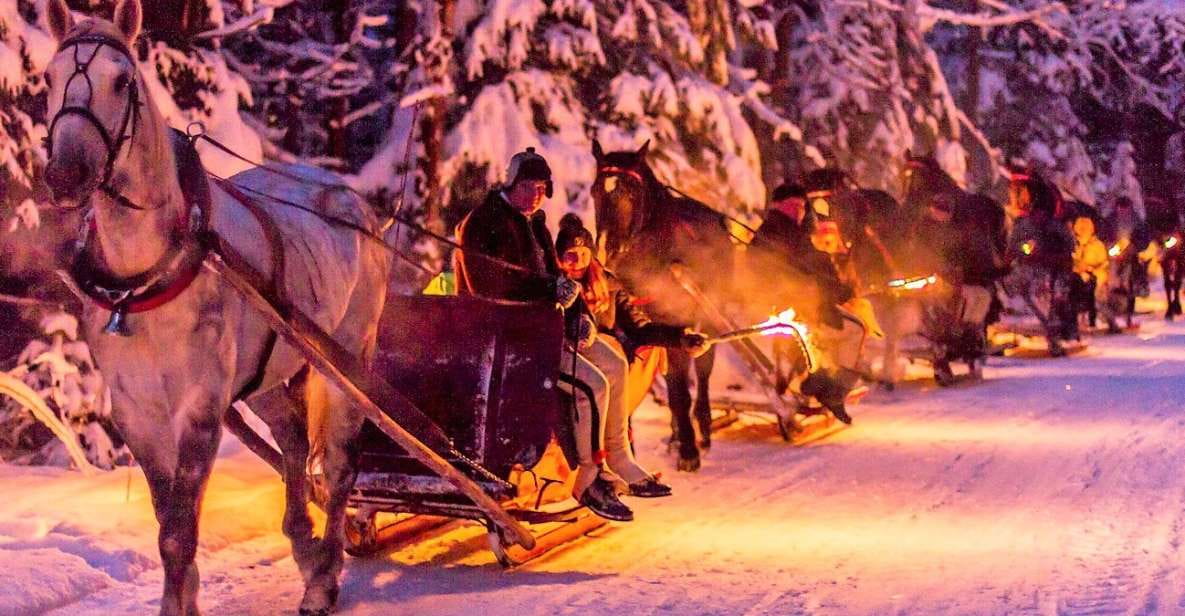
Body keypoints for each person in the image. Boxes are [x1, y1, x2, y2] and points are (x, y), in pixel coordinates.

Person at [454, 147, 632, 521]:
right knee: (591, 385)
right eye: (530, 186)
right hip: (506, 340)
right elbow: (490, 287)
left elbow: (555, 278)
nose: (537, 194)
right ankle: (587, 475)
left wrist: (578, 318)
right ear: (512, 182)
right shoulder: (483, 223)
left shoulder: (534, 221)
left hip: (544, 330)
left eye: (542, 187)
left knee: (615, 363)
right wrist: (548, 293)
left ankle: (618, 457)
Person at [554, 214, 710, 497]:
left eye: (582, 255)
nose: (575, 262)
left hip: (609, 371)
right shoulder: (556, 287)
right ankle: (591, 470)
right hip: (572, 369)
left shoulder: (608, 286)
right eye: (568, 256)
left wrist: (679, 338)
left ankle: (621, 463)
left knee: (615, 371)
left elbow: (639, 326)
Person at [748, 183, 857, 423]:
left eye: (800, 206)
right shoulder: (780, 232)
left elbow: (812, 266)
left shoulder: (785, 231)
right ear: (780, 206)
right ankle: (831, 389)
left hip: (799, 300)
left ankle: (828, 385)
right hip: (790, 304)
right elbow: (800, 270)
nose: (797, 211)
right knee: (851, 329)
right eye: (793, 206)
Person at [1069, 213, 1112, 330]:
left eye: (1085, 228)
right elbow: (1072, 261)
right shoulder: (1074, 245)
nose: (1082, 231)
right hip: (1079, 275)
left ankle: (1098, 320)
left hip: (1095, 275)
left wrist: (1092, 270)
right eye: (1080, 229)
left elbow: (1104, 262)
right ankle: (1074, 320)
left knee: (1094, 293)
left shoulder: (1097, 245)